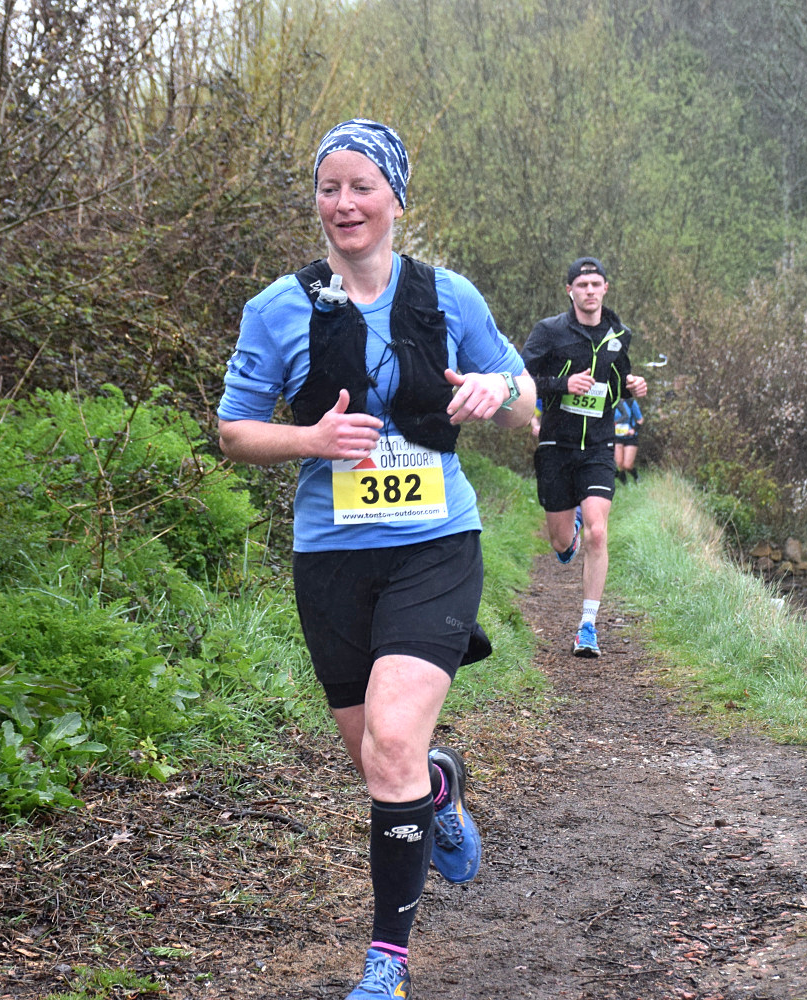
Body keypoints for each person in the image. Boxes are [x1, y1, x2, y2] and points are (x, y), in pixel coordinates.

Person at [215, 118, 535, 1000]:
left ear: (396, 198)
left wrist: (496, 387)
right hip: (331, 559)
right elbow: (235, 432)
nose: (344, 203)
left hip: (436, 545)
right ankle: (439, 786)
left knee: (392, 739)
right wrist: (309, 439)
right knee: (382, 763)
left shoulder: (449, 297)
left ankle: (385, 964)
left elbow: (526, 400)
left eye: (362, 187)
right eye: (330, 188)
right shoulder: (278, 308)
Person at [521, 256, 647, 658]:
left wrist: (632, 386)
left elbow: (616, 385)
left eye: (596, 284)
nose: (589, 291)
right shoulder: (549, 332)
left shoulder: (619, 335)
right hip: (556, 445)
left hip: (598, 445)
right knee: (561, 544)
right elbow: (521, 380)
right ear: (570, 290)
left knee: (598, 531)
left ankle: (587, 626)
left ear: (605, 288)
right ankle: (569, 530)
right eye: (582, 285)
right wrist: (563, 384)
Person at [613, 396, 643, 483]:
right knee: (619, 464)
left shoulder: (630, 402)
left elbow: (640, 419)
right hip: (617, 436)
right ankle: (625, 484)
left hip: (630, 437)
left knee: (627, 465)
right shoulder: (613, 402)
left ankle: (636, 477)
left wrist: (633, 430)